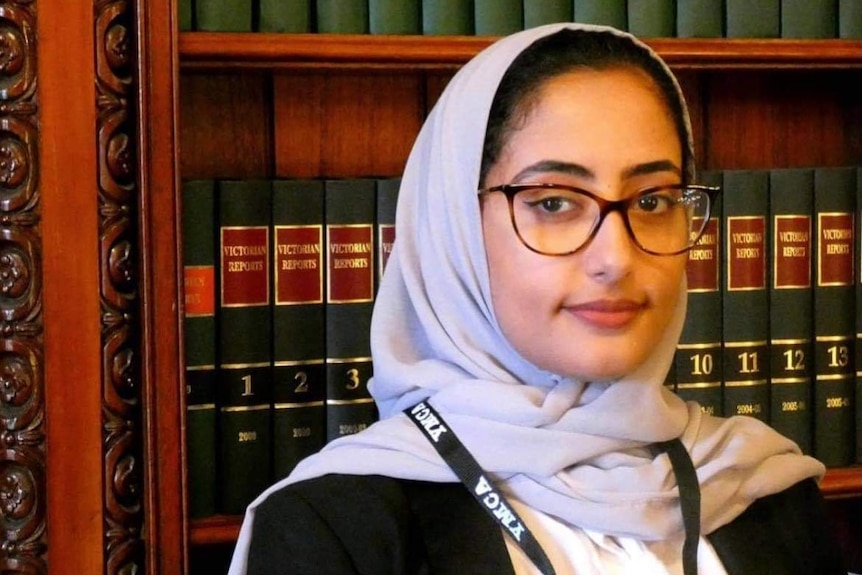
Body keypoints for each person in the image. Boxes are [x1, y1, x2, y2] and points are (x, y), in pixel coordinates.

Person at [228, 23, 846, 575]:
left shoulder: (764, 488)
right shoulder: (336, 529)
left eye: (653, 200)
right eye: (554, 202)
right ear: (456, 229)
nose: (616, 259)